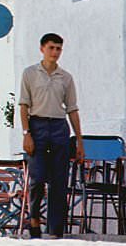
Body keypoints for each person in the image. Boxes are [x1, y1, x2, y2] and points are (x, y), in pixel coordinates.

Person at [19, 32, 83, 239]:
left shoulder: (66, 77)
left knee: (59, 180)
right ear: (42, 49)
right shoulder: (29, 73)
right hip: (37, 126)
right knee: (37, 177)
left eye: (58, 49)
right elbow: (23, 105)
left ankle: (56, 229)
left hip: (58, 126)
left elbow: (72, 109)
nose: (55, 52)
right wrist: (26, 133)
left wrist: (79, 139)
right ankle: (35, 218)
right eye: (51, 48)